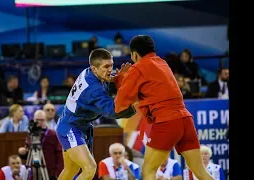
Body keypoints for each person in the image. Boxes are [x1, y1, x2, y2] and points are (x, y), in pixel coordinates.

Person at [113, 35, 214, 180]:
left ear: (134, 54)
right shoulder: (162, 63)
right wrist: (127, 80)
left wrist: (120, 80)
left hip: (167, 121)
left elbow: (121, 104)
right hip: (185, 119)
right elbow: (146, 92)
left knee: (148, 171)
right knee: (200, 171)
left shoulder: (138, 68)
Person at [56, 48, 135, 180]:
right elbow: (112, 111)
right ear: (94, 68)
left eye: (111, 65)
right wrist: (132, 99)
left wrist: (117, 81)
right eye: (106, 66)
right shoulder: (93, 89)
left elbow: (105, 86)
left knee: (71, 169)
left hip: (77, 125)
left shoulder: (90, 72)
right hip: (71, 127)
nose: (110, 70)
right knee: (90, 168)